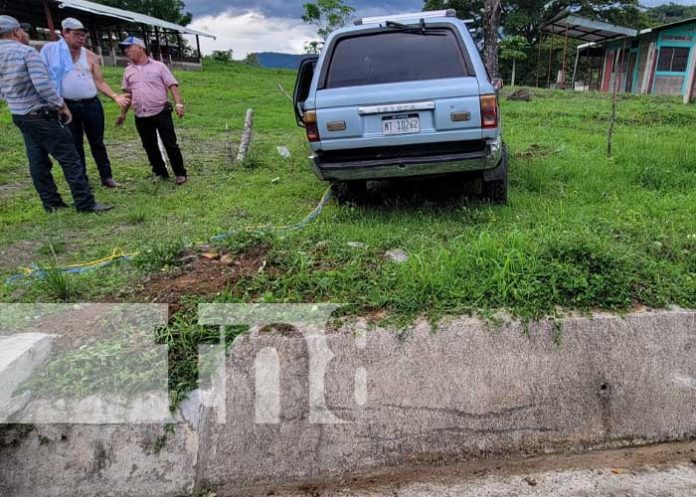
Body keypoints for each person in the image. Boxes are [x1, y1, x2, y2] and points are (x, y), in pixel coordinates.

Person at [0, 15, 112, 213]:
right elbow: (43, 85)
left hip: (19, 114)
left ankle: (51, 203)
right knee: (70, 156)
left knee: (37, 160)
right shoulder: (26, 52)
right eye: (23, 30)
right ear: (16, 32)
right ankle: (85, 202)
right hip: (40, 113)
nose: (26, 33)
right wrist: (60, 105)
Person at [41, 17, 129, 188]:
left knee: (97, 142)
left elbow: (100, 81)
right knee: (75, 144)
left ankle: (107, 176)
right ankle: (82, 179)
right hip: (67, 105)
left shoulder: (89, 56)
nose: (81, 39)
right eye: (77, 35)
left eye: (83, 36)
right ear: (65, 33)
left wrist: (115, 96)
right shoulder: (52, 52)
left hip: (91, 104)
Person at [116, 36, 188, 185]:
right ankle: (160, 172)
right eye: (125, 48)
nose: (126, 50)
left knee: (170, 143)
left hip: (161, 111)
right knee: (149, 146)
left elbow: (172, 85)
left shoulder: (159, 66)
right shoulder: (128, 71)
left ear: (140, 47)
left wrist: (179, 104)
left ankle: (180, 173)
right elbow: (128, 95)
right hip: (140, 115)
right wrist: (123, 113)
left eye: (129, 47)